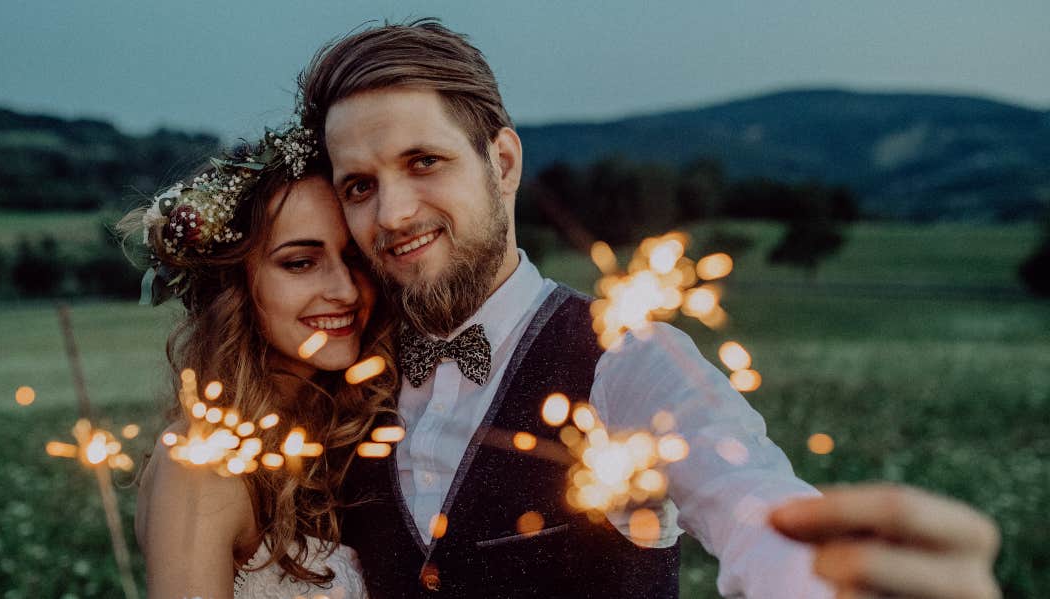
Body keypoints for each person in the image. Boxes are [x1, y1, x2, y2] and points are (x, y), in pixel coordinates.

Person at [297, 18, 1001, 598]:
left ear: (503, 162)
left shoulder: (628, 358)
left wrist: (821, 573)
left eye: (424, 162)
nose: (391, 213)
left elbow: (745, 493)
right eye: (359, 185)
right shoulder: (345, 386)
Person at [120, 125, 393, 599]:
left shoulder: (358, 429)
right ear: (235, 286)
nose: (347, 290)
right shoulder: (201, 466)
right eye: (300, 263)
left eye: (355, 259)